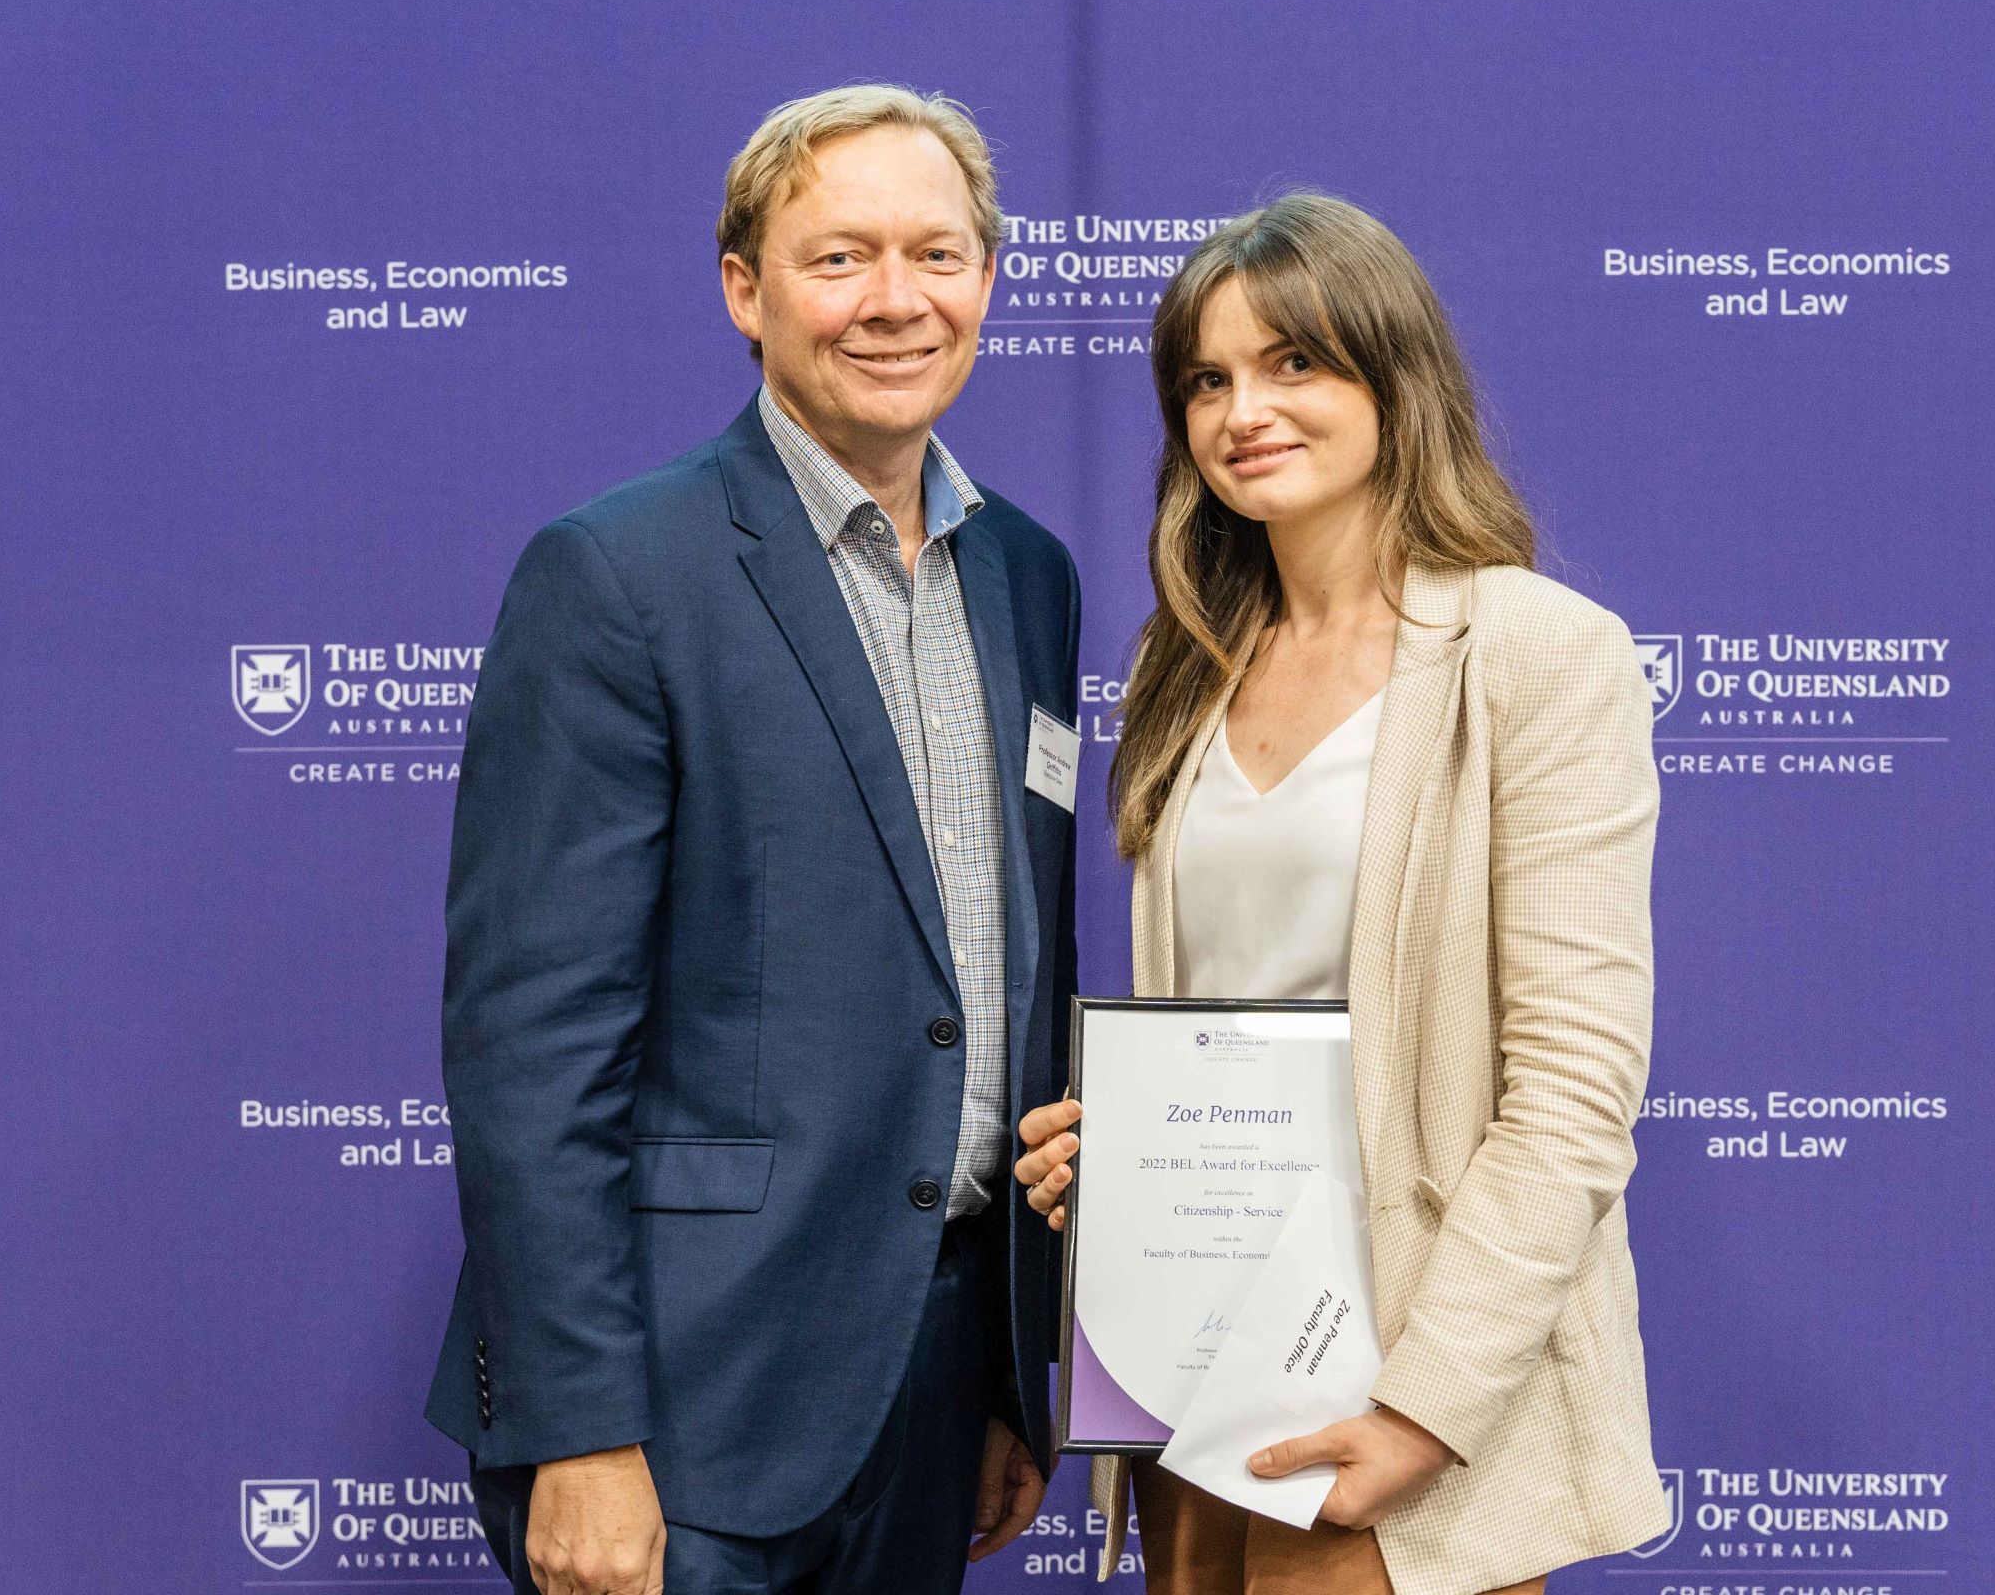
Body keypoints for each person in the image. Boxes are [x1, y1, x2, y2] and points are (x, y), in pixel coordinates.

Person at [428, 84, 1082, 1595]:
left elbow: (998, 985)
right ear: (746, 289)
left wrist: (1002, 1377)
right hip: (685, 1408)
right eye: (840, 258)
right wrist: (581, 1429)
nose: (896, 301)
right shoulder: (618, 574)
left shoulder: (1027, 579)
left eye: (937, 254)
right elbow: (534, 1042)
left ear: (990, 279)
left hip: (934, 1383)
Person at [1015, 193, 1670, 1595]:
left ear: (1394, 378)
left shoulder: (1539, 654)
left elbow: (1573, 1084)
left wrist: (1427, 1407)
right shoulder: (1188, 668)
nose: (1245, 409)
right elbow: (1228, 1022)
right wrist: (1125, 1150)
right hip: (1205, 1382)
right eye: (1207, 380)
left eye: (1295, 362)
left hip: (1409, 1400)